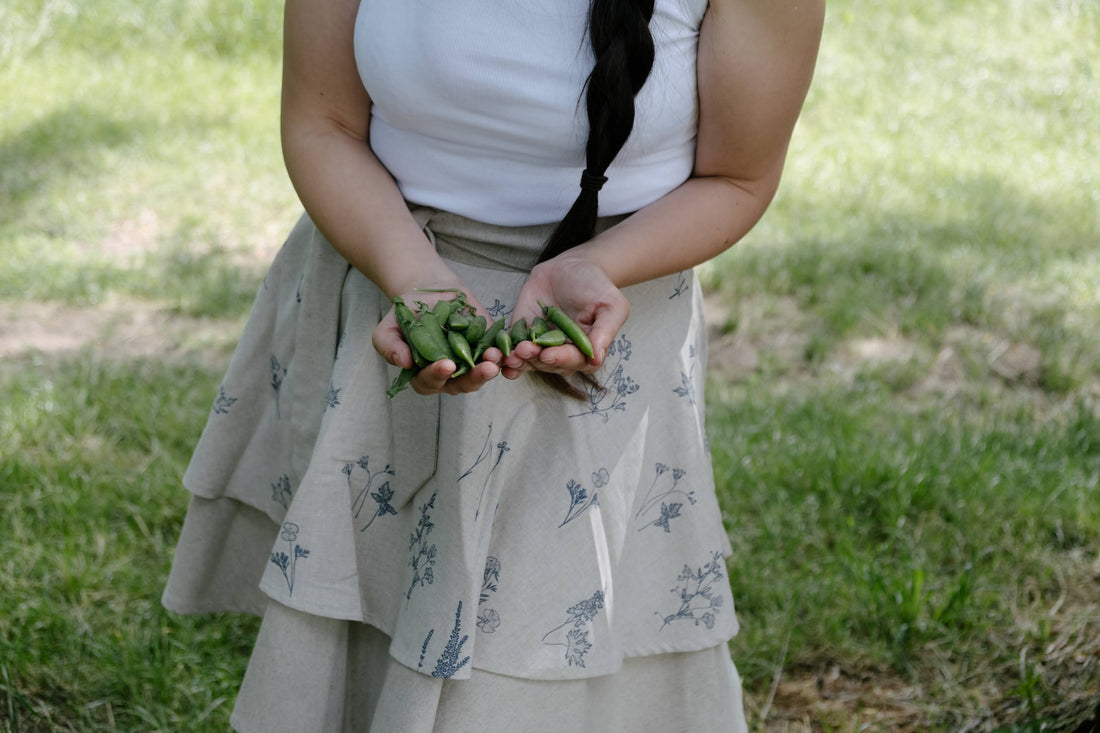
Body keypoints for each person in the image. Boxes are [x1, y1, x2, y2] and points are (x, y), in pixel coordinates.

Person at [162, 0, 824, 730]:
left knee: (536, 659)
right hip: (390, 281)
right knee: (369, 626)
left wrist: (599, 264)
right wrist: (412, 277)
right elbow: (323, 124)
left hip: (608, 321)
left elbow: (738, 177)